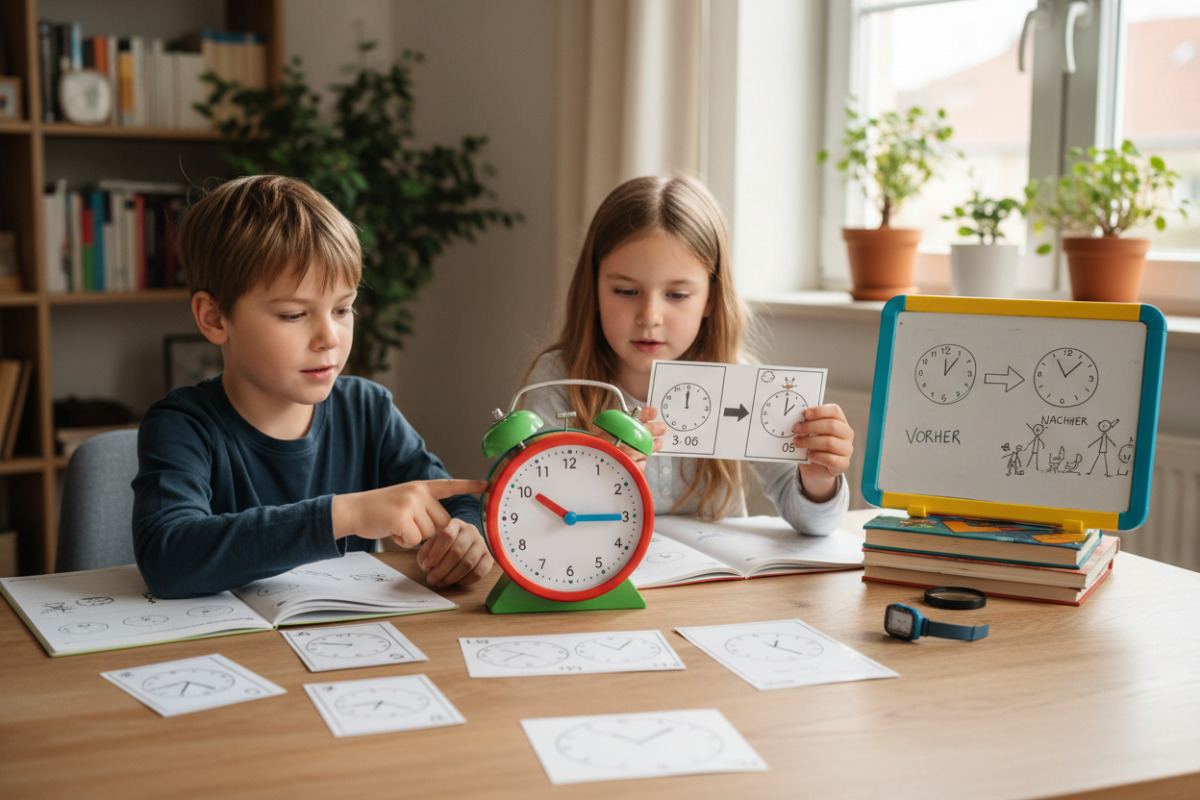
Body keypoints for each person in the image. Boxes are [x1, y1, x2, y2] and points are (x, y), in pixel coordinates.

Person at [132, 175, 492, 598]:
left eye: (343, 308)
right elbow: (168, 558)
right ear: (214, 318)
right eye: (293, 315)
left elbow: (449, 499)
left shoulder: (368, 410)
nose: (330, 337)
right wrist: (345, 514)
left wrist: (466, 536)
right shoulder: (182, 425)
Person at [521, 175, 852, 533]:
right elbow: (531, 516)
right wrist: (594, 470)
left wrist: (818, 478)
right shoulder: (559, 379)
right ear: (594, 288)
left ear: (711, 297)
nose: (649, 317)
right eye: (626, 290)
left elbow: (816, 524)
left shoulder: (740, 380)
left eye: (677, 295)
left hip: (713, 587)